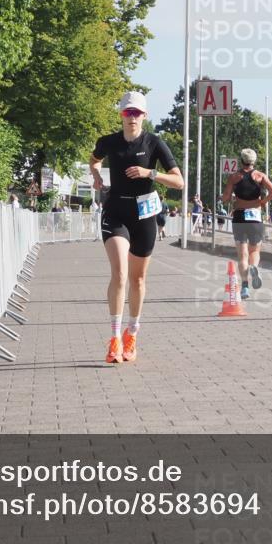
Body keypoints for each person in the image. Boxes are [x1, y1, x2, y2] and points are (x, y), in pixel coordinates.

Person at [90, 91, 183, 364]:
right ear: (121, 115)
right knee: (119, 274)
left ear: (144, 116)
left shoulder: (154, 143)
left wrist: (150, 173)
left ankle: (132, 333)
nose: (132, 118)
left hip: (143, 215)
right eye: (127, 113)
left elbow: (179, 182)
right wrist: (96, 176)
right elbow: (94, 160)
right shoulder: (108, 142)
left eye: (137, 113)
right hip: (116, 211)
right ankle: (115, 338)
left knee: (138, 279)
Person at [223, 148, 272, 300]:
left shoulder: (234, 177)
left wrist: (228, 198)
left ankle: (245, 287)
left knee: (242, 255)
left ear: (241, 160)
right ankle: (254, 267)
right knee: (255, 252)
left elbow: (226, 197)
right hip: (255, 217)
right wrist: (262, 201)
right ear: (254, 161)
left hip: (239, 216)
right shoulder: (260, 176)